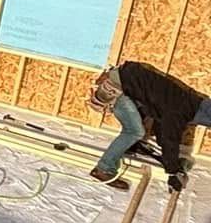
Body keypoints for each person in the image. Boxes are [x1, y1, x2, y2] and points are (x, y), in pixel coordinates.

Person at [88, 61, 211, 193]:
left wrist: (169, 159)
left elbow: (161, 122)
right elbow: (170, 139)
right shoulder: (177, 113)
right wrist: (173, 172)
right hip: (118, 88)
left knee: (145, 122)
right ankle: (103, 169)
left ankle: (131, 146)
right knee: (134, 132)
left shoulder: (189, 101)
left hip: (126, 79)